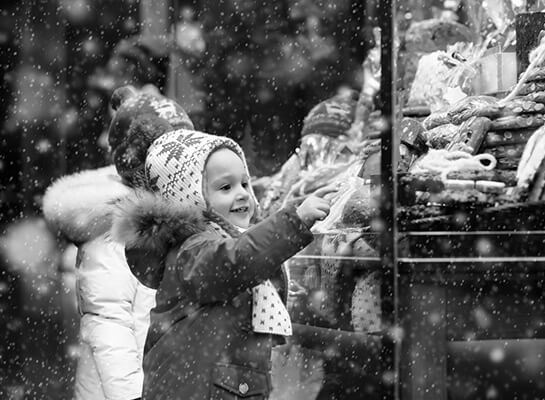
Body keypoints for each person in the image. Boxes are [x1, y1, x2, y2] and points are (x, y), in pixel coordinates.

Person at [112, 128, 333, 399]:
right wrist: (294, 221)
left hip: (225, 384)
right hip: (196, 389)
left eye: (245, 183)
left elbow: (248, 262)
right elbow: (238, 260)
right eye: (225, 187)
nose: (242, 194)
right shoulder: (193, 250)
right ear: (190, 197)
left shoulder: (223, 242)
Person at [41, 85, 195, 400]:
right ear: (143, 159)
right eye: (174, 152)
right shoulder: (117, 228)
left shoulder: (169, 217)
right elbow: (108, 325)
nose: (186, 163)